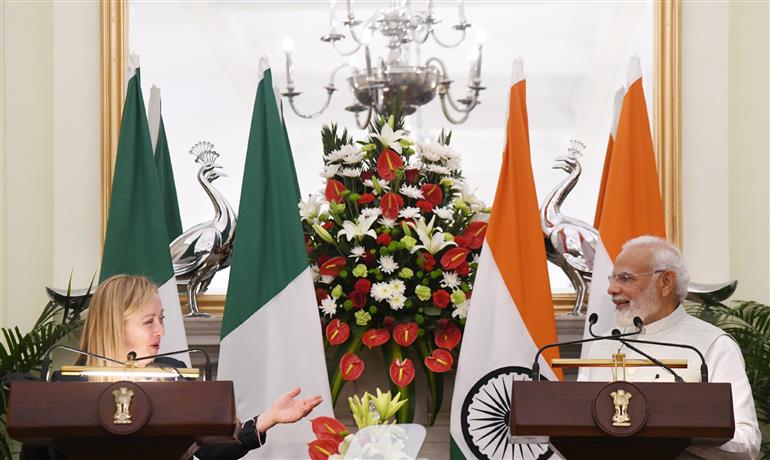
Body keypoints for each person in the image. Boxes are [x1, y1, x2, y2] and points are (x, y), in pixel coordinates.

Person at [21, 274, 322, 460]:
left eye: (162, 318)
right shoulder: (65, 387)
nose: (161, 331)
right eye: (149, 321)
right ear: (115, 325)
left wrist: (267, 418)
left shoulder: (174, 375)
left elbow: (208, 450)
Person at [579, 236, 761, 460]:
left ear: (666, 282)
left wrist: (683, 433)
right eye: (613, 278)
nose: (611, 289)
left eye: (625, 278)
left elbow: (747, 443)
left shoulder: (713, 345)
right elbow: (579, 423)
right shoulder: (601, 345)